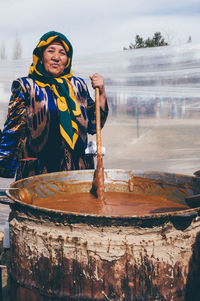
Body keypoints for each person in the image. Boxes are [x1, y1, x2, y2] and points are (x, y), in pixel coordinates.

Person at [0, 31, 108, 180]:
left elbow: (95, 124)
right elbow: (14, 130)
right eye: (50, 51)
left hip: (78, 171)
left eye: (62, 53)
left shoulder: (78, 86)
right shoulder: (26, 86)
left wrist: (101, 92)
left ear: (67, 60)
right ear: (41, 55)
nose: (56, 57)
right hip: (39, 173)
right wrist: (5, 166)